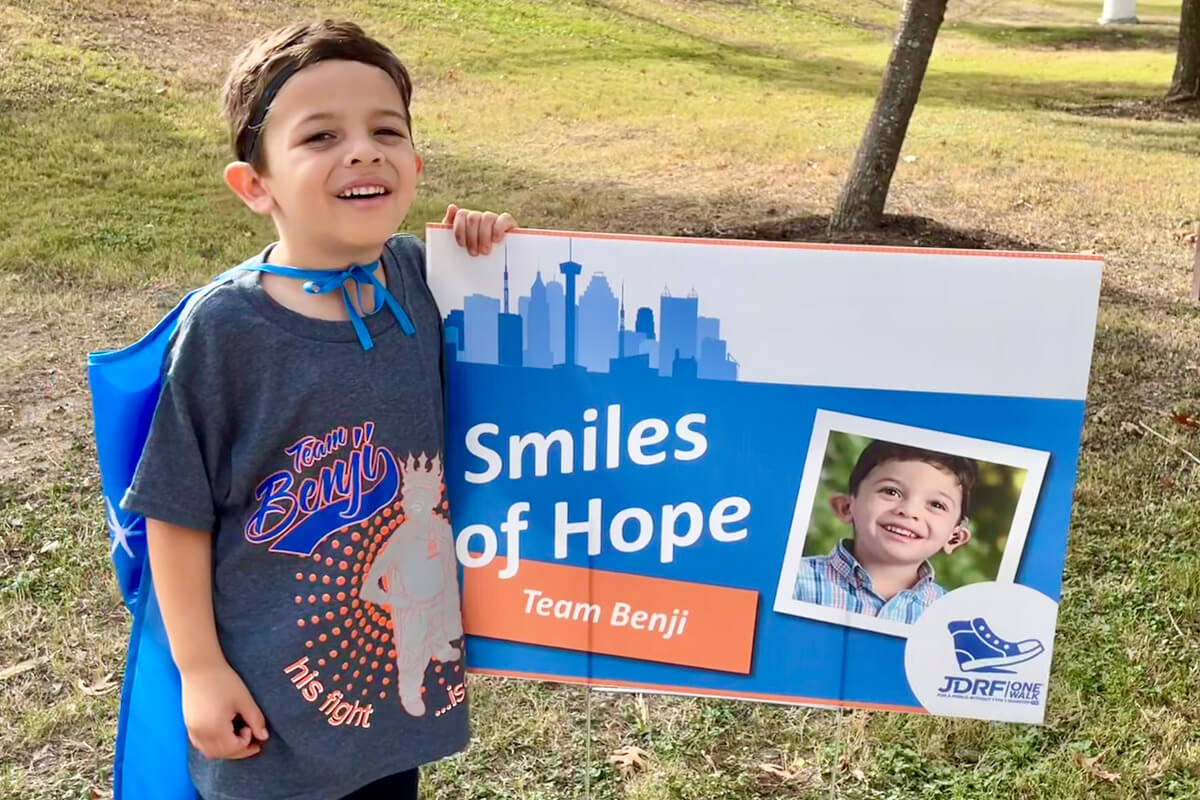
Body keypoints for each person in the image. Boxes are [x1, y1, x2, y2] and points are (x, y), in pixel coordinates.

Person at [121, 19, 514, 800]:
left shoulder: (424, 282)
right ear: (255, 185)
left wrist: (490, 248)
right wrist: (200, 671)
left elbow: (516, 335)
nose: (362, 151)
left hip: (387, 710)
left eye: (385, 131)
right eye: (321, 135)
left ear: (414, 162)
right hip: (267, 716)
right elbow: (174, 509)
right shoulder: (227, 330)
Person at [793, 440, 976, 624]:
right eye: (891, 492)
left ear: (955, 538)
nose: (910, 511)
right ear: (847, 508)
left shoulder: (953, 619)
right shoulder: (795, 580)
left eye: (936, 504)